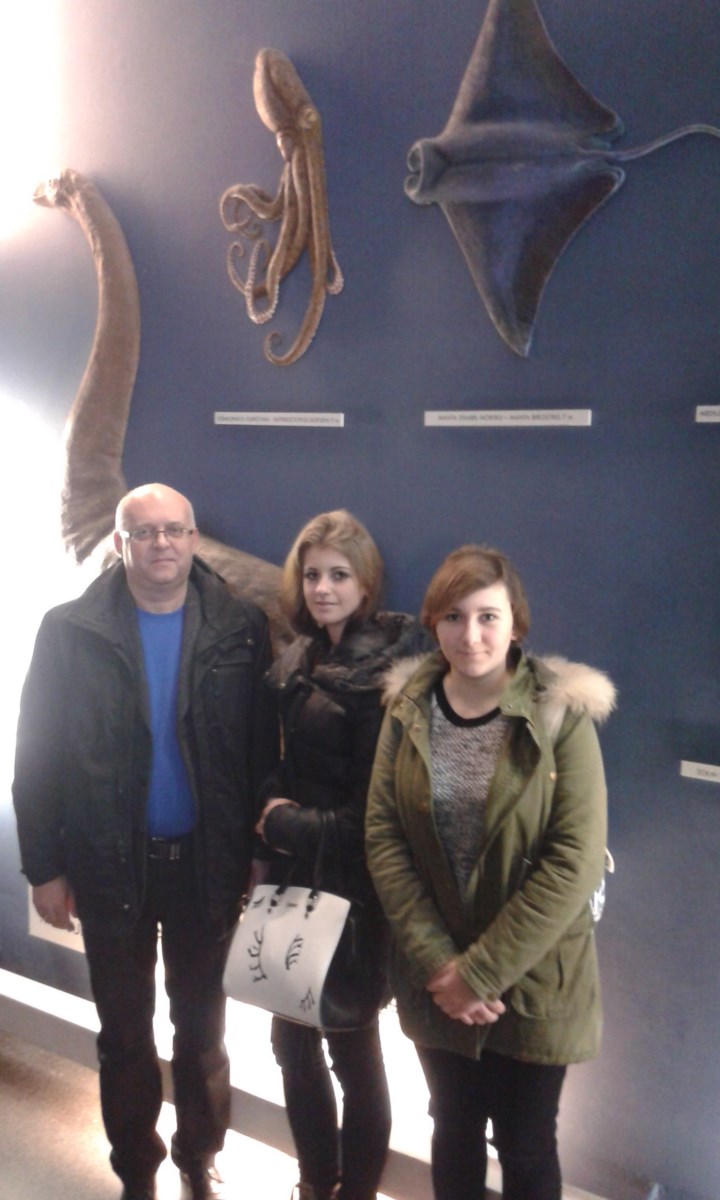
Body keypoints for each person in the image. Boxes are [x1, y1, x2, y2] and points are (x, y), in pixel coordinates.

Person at [12, 483, 278, 1200]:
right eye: (144, 531)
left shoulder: (240, 627)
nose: (162, 543)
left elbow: (261, 750)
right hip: (107, 868)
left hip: (207, 867)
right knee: (125, 1035)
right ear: (120, 544)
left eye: (175, 530)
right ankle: (137, 1169)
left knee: (203, 1032)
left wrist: (260, 852)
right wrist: (44, 867)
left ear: (193, 539)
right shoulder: (68, 630)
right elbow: (35, 752)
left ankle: (199, 1155)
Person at [365, 545, 616, 1200]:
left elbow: (575, 857)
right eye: (453, 617)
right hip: (436, 974)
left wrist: (479, 973)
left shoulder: (561, 714)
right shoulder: (407, 707)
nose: (469, 635)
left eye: (487, 616)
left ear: (516, 624)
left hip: (532, 978)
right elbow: (384, 838)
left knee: (526, 1143)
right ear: (433, 623)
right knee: (453, 1127)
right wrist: (441, 967)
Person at [255, 509, 434, 1200]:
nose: (323, 588)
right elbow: (287, 763)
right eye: (312, 575)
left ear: (366, 582)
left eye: (338, 574)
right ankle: (313, 1182)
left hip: (354, 891)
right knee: (290, 1044)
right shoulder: (300, 659)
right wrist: (271, 808)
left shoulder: (387, 675)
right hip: (293, 877)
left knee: (352, 1050)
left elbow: (373, 819)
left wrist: (280, 822)